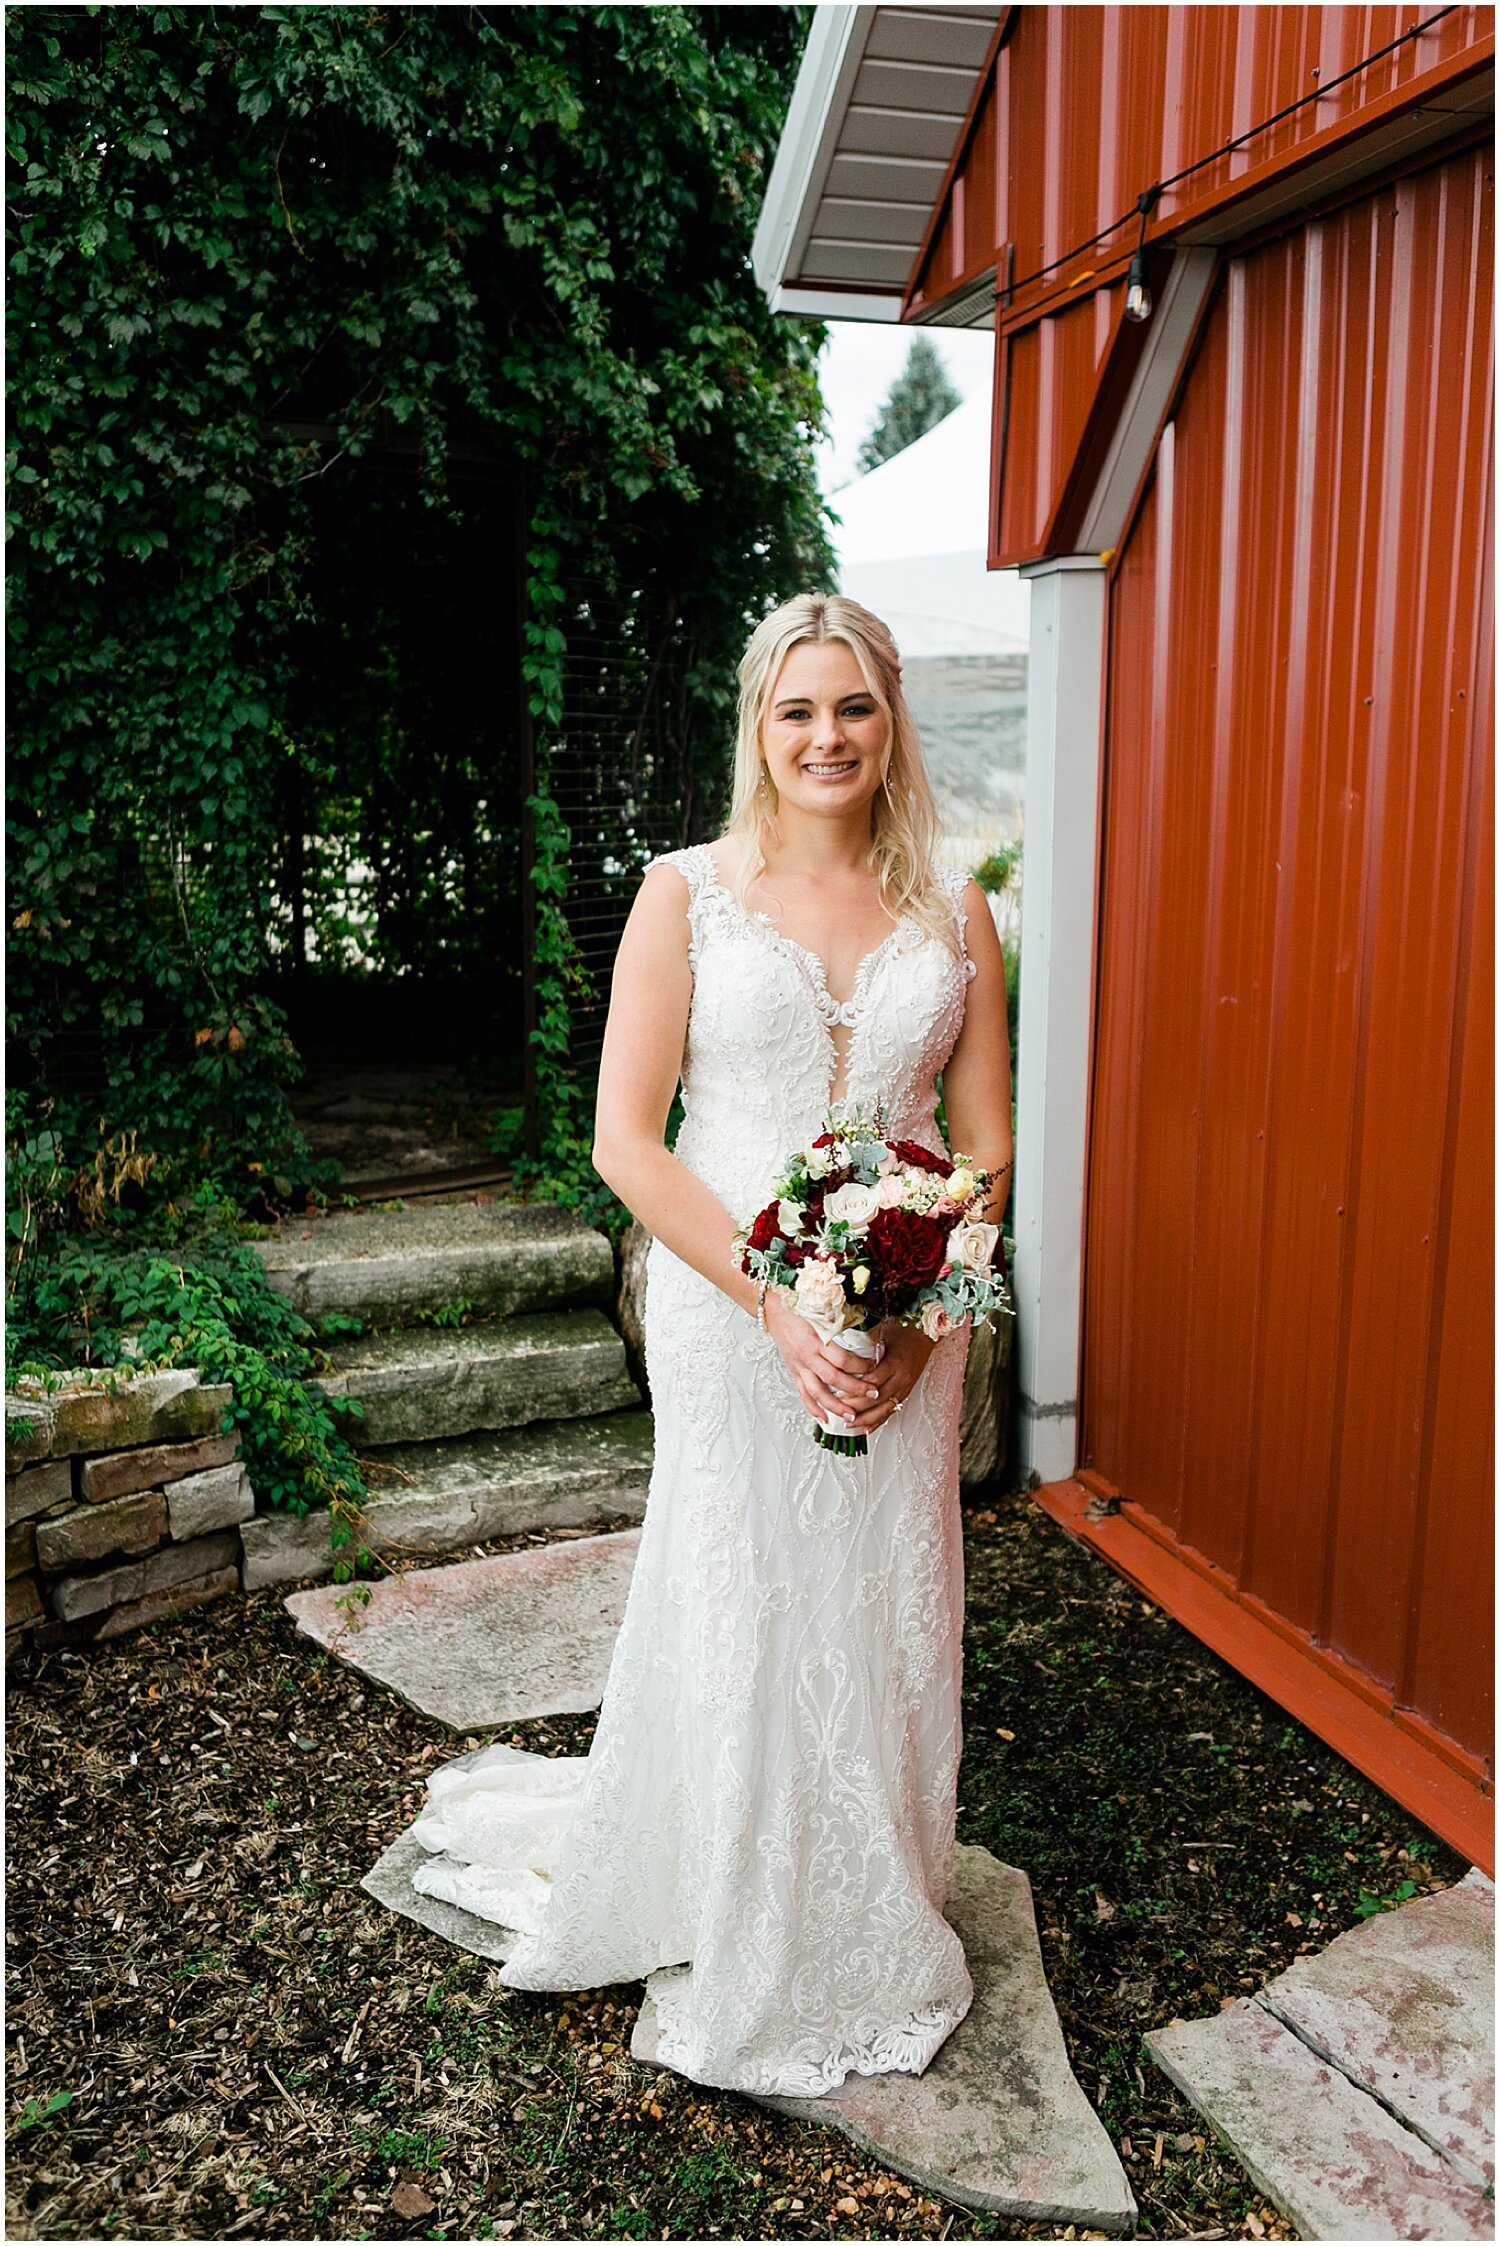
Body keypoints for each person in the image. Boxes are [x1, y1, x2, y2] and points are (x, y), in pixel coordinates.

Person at [406, 592, 1015, 2099]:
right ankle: (738, 1907)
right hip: (726, 1297)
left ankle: (872, 1902)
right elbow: (626, 1139)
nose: (828, 736)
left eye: (855, 707)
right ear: (758, 724)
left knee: (879, 1602)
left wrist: (923, 1330)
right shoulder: (686, 892)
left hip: (901, 1315)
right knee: (747, 1589)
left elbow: (985, 1149)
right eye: (798, 708)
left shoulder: (957, 908)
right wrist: (773, 1302)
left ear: (892, 724)